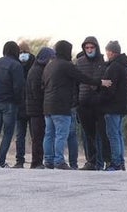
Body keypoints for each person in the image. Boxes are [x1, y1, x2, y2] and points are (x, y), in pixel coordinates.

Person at [43, 40, 109, 170]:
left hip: (47, 106)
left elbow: (42, 84)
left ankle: (48, 160)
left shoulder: (49, 66)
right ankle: (59, 161)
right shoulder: (67, 65)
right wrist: (100, 82)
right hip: (61, 107)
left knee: (49, 134)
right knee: (61, 134)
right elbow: (82, 78)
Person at [0, 40, 25, 167]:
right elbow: (18, 86)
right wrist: (19, 101)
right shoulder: (16, 65)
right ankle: (1, 161)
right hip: (9, 102)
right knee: (7, 133)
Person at [75, 35, 110, 170]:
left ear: (96, 47)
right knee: (87, 135)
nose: (89, 50)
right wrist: (76, 102)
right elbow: (76, 83)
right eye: (87, 47)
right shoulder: (79, 62)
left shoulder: (102, 61)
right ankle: (91, 161)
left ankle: (103, 161)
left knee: (101, 135)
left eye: (92, 47)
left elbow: (103, 81)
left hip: (98, 103)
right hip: (83, 103)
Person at [101, 40, 127, 171]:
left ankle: (116, 163)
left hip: (112, 107)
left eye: (107, 51)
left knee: (113, 135)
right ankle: (120, 161)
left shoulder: (113, 68)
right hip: (121, 106)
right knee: (118, 134)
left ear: (112, 52)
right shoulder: (123, 67)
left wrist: (101, 99)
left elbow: (109, 88)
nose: (106, 54)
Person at [24, 46, 55, 168]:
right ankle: (36, 162)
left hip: (35, 108)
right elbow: (37, 91)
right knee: (38, 137)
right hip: (37, 109)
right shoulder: (38, 71)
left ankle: (37, 161)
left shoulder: (36, 69)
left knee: (38, 136)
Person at [14, 41, 35, 167]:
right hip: (20, 106)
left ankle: (36, 159)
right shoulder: (15, 65)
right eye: (20, 52)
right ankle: (19, 160)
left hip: (32, 105)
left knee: (35, 136)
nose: (22, 55)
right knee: (20, 135)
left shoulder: (35, 64)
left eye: (25, 52)